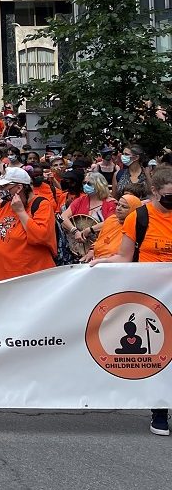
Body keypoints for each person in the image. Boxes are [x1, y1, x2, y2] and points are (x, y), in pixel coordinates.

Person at [92, 166, 172, 435]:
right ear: (154, 192)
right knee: (159, 354)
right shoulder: (139, 218)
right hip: (152, 299)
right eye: (168, 196)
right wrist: (102, 262)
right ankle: (159, 411)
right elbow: (124, 257)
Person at [0, 167, 56, 281]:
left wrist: (21, 212)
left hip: (31, 278)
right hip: (4, 276)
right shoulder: (2, 205)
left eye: (4, 187)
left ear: (18, 188)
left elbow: (40, 237)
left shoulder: (41, 205)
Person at [62, 171, 116, 249]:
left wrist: (90, 230)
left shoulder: (111, 203)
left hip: (104, 245)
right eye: (84, 183)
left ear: (99, 185)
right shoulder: (80, 200)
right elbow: (63, 217)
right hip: (81, 246)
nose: (86, 185)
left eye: (89, 184)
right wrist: (75, 231)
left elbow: (112, 223)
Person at [82, 194, 141, 261]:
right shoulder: (111, 219)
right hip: (97, 262)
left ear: (133, 210)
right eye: (118, 205)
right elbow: (99, 240)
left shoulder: (137, 227)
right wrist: (92, 251)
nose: (118, 208)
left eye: (124, 207)